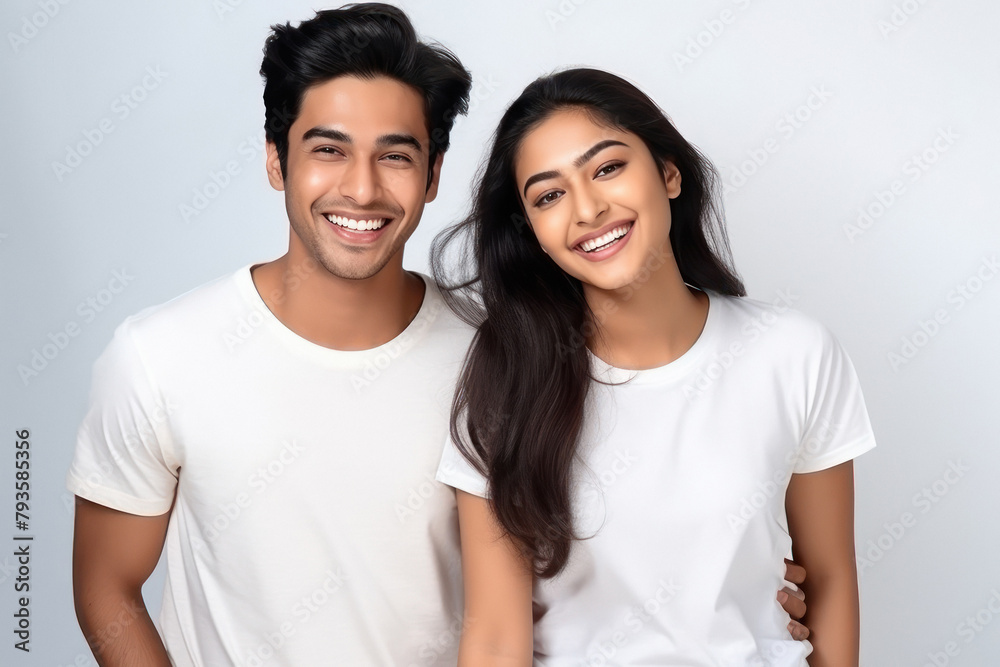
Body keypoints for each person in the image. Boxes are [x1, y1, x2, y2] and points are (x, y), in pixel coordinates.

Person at [68, 6, 811, 665]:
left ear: (431, 175)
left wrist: (747, 596)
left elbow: (648, 514)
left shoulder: (511, 359)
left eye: (395, 155)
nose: (361, 188)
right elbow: (106, 585)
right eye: (328, 149)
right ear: (275, 160)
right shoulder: (161, 355)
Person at [432, 68, 875, 665]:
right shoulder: (505, 376)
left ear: (668, 173)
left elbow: (830, 583)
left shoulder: (793, 353)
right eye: (549, 195)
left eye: (607, 168)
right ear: (533, 231)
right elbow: (493, 639)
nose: (586, 208)